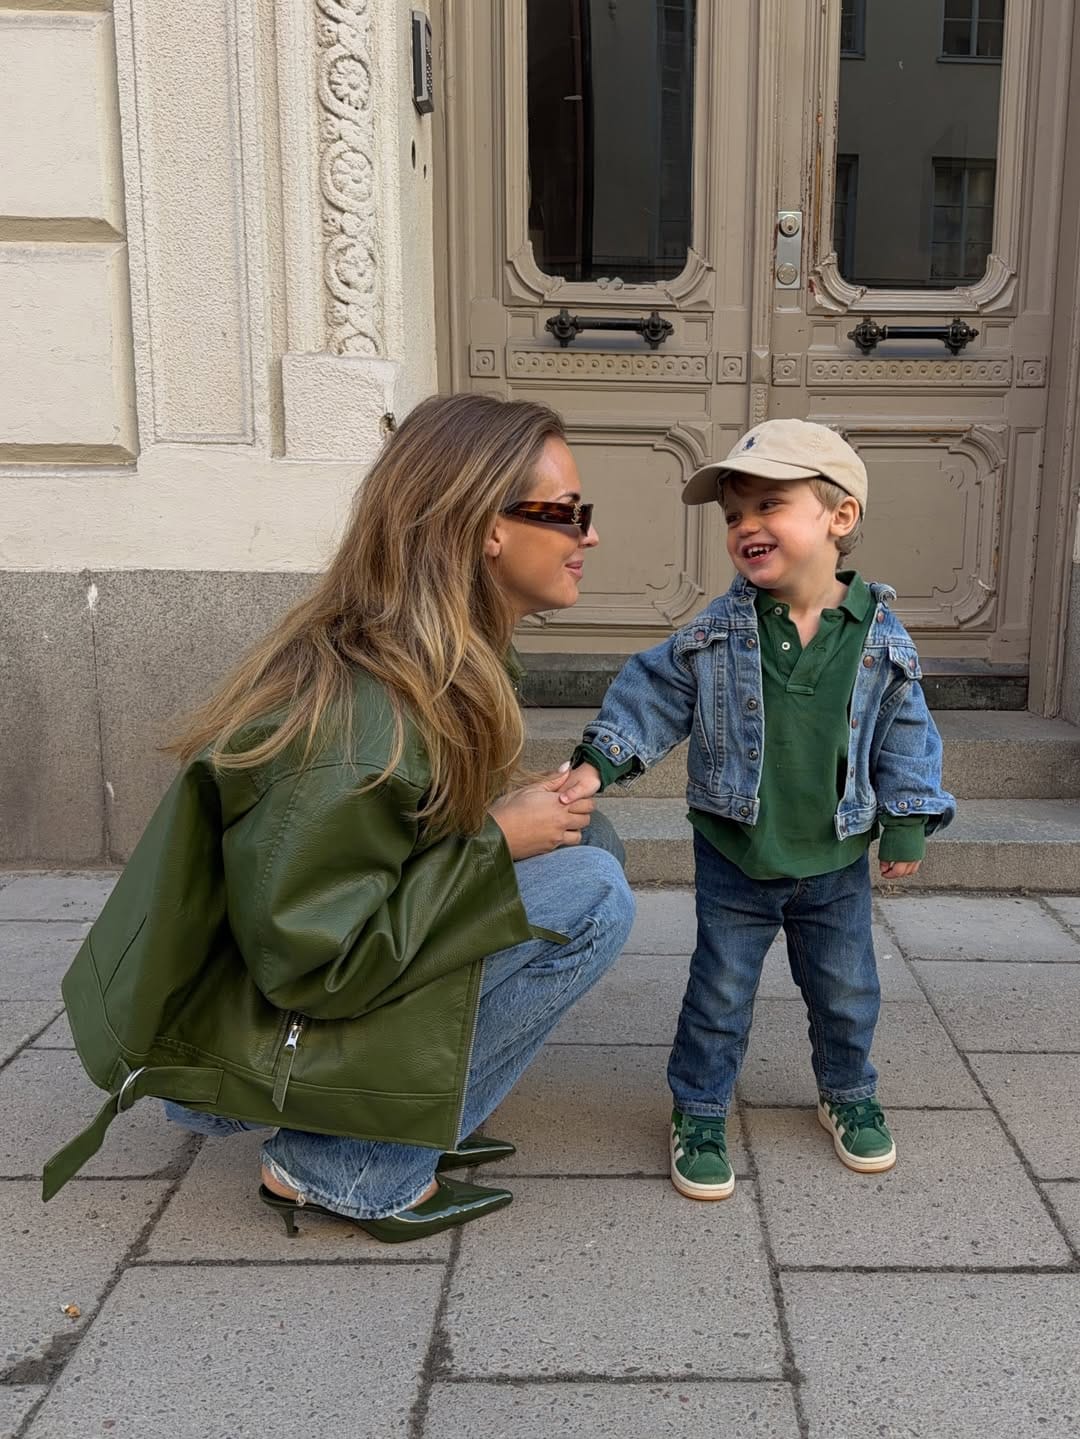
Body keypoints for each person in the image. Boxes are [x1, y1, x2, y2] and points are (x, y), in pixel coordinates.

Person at [44, 394, 635, 1243]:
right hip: (274, 1021)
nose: (590, 536)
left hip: (316, 988)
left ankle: (409, 1111)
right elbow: (313, 964)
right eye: (568, 512)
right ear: (484, 529)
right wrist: (497, 840)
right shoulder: (367, 719)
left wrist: (500, 822)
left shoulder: (433, 663)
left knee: (591, 846)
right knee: (591, 894)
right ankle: (347, 1161)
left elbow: (389, 864)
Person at [558, 418, 954, 1199]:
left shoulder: (879, 635)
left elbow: (906, 729)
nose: (746, 527)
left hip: (836, 861)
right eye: (734, 514)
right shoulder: (722, 628)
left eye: (768, 506)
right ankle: (699, 1108)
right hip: (738, 855)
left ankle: (847, 1092)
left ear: (838, 519)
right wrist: (599, 762)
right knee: (720, 992)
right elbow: (655, 692)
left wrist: (906, 817)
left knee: (847, 990)